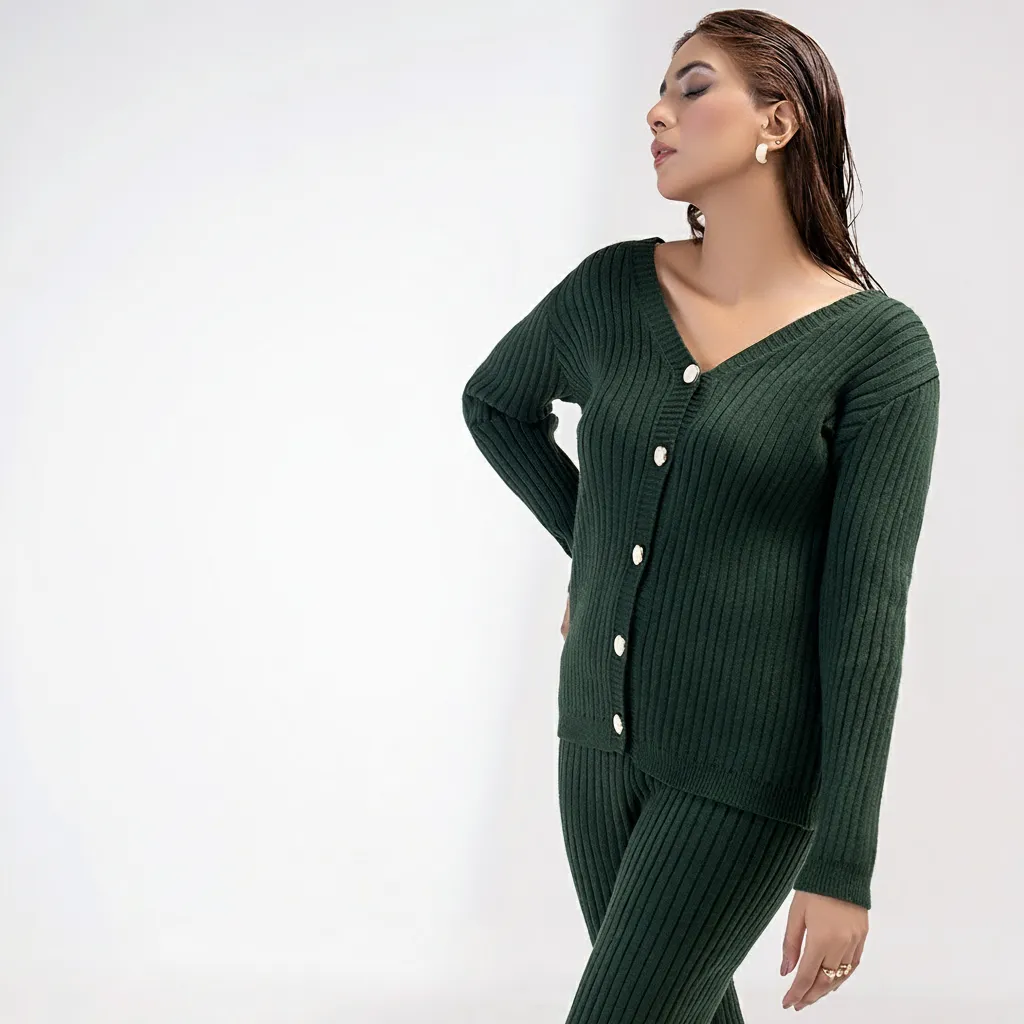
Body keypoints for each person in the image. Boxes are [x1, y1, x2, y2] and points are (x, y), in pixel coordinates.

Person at [460, 10, 940, 1023]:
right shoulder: (609, 289)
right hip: (594, 747)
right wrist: (593, 552)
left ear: (778, 122)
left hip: (747, 773)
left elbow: (866, 614)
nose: (657, 112)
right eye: (658, 90)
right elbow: (495, 405)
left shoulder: (876, 347)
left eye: (692, 86)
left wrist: (844, 863)